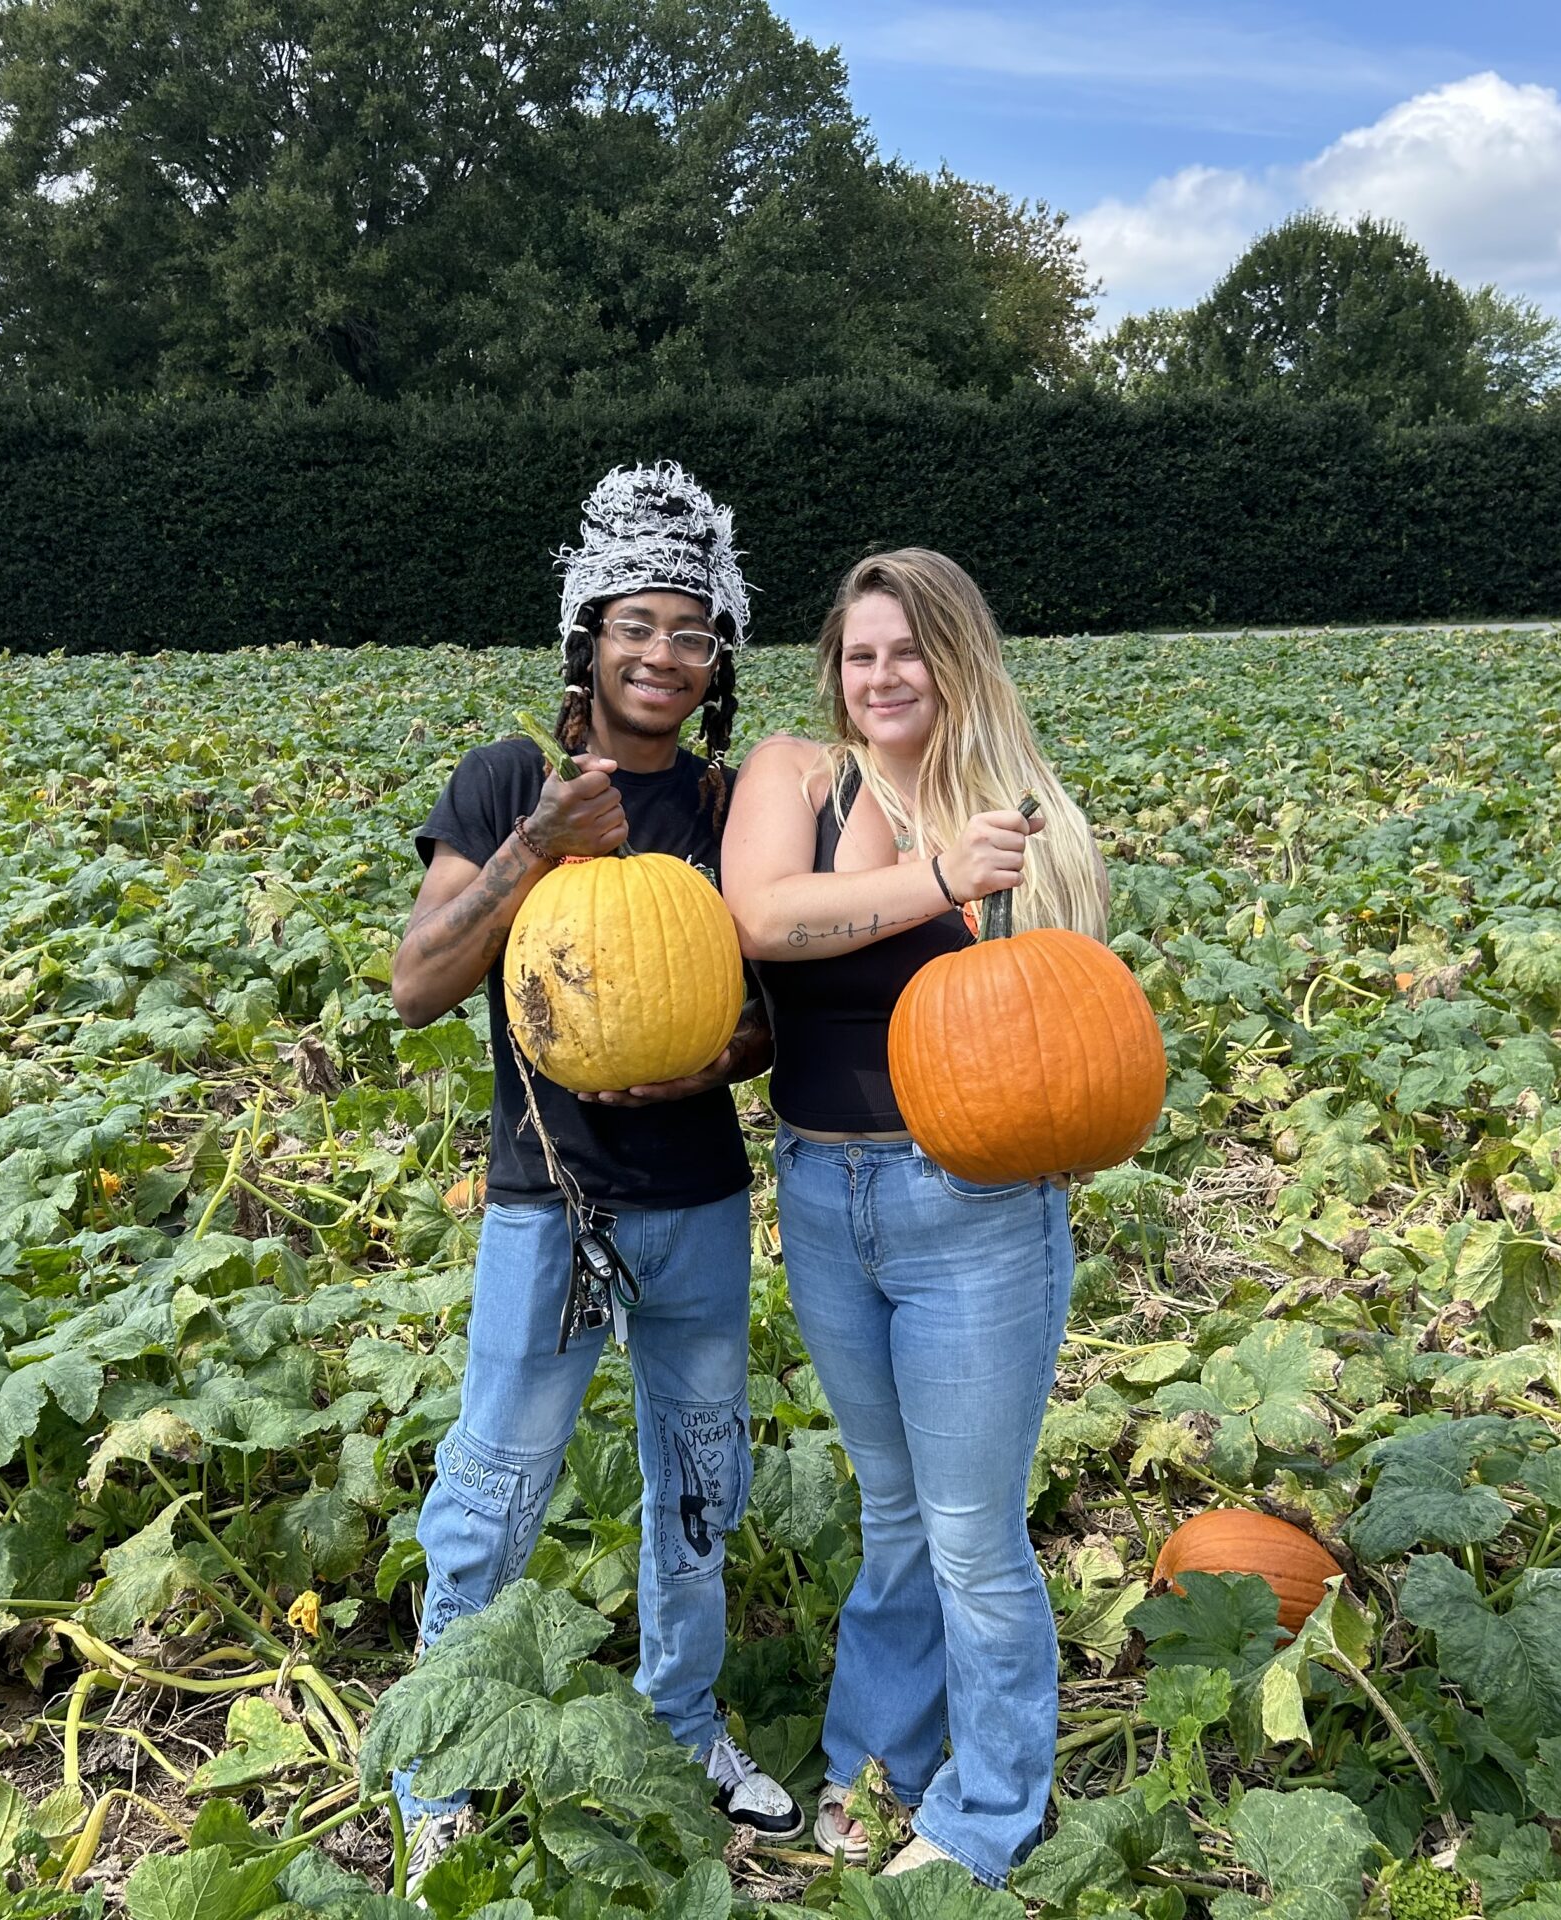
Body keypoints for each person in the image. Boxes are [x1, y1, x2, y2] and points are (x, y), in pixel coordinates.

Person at [387, 462, 801, 1884]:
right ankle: (437, 1759)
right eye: (640, 623)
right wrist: (529, 850)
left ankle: (684, 1720)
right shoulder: (512, 780)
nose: (665, 656)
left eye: (694, 632)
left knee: (701, 1478)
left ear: (717, 657)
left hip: (694, 1197)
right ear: (589, 633)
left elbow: (759, 1016)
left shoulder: (731, 803)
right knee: (499, 1482)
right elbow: (415, 985)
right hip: (549, 1199)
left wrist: (717, 1059)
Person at [720, 548, 1111, 1886]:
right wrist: (942, 876)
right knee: (892, 1511)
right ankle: (880, 1765)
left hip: (977, 1202)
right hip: (827, 1190)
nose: (882, 677)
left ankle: (986, 1811)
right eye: (859, 653)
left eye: (908, 651)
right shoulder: (798, 777)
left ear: (957, 660)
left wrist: (987, 875)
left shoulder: (1019, 814)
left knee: (969, 1531)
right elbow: (765, 916)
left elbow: (1073, 1019)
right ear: (833, 668)